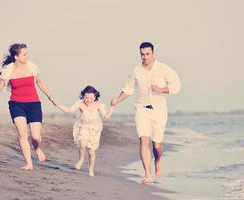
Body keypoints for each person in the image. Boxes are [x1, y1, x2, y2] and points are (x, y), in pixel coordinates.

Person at [0, 43, 57, 170]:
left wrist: (51, 97)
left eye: (27, 54)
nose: (27, 56)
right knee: (22, 134)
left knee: (36, 136)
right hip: (16, 104)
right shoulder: (8, 70)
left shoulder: (32, 67)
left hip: (33, 104)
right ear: (16, 56)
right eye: (24, 54)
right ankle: (29, 163)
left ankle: (37, 148)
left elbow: (40, 83)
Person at [111, 42, 181, 184]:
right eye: (142, 54)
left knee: (157, 146)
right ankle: (148, 175)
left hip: (159, 111)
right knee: (143, 140)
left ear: (153, 53)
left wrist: (161, 90)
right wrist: (117, 100)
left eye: (147, 54)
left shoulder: (163, 69)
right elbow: (128, 89)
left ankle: (158, 161)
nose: (145, 57)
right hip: (142, 109)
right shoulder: (136, 70)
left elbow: (177, 86)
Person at [55, 86, 114, 177]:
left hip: (95, 129)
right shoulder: (80, 104)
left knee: (91, 151)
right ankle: (81, 159)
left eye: (91, 98)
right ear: (83, 96)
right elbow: (68, 110)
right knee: (82, 145)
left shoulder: (99, 105)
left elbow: (107, 116)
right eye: (86, 98)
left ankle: (91, 169)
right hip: (84, 127)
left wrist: (112, 106)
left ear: (95, 97)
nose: (89, 100)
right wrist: (57, 104)